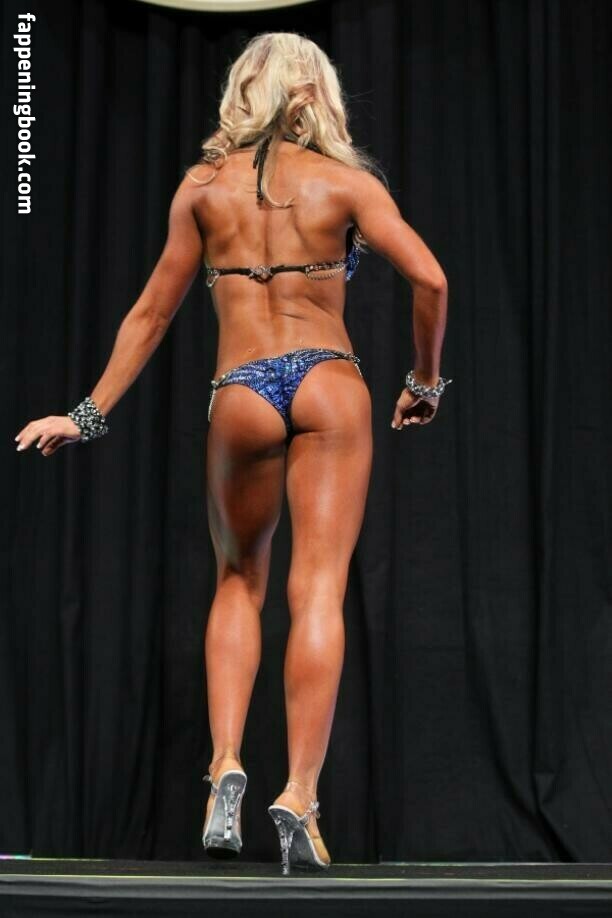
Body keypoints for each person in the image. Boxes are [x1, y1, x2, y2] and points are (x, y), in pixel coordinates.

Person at [13, 31, 451, 873]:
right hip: (329, 380)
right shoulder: (347, 184)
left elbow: (151, 313)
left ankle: (224, 765)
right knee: (316, 587)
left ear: (243, 90)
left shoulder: (202, 188)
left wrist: (85, 415)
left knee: (238, 582)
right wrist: (424, 382)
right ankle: (300, 796)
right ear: (316, 92)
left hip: (241, 390)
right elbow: (430, 279)